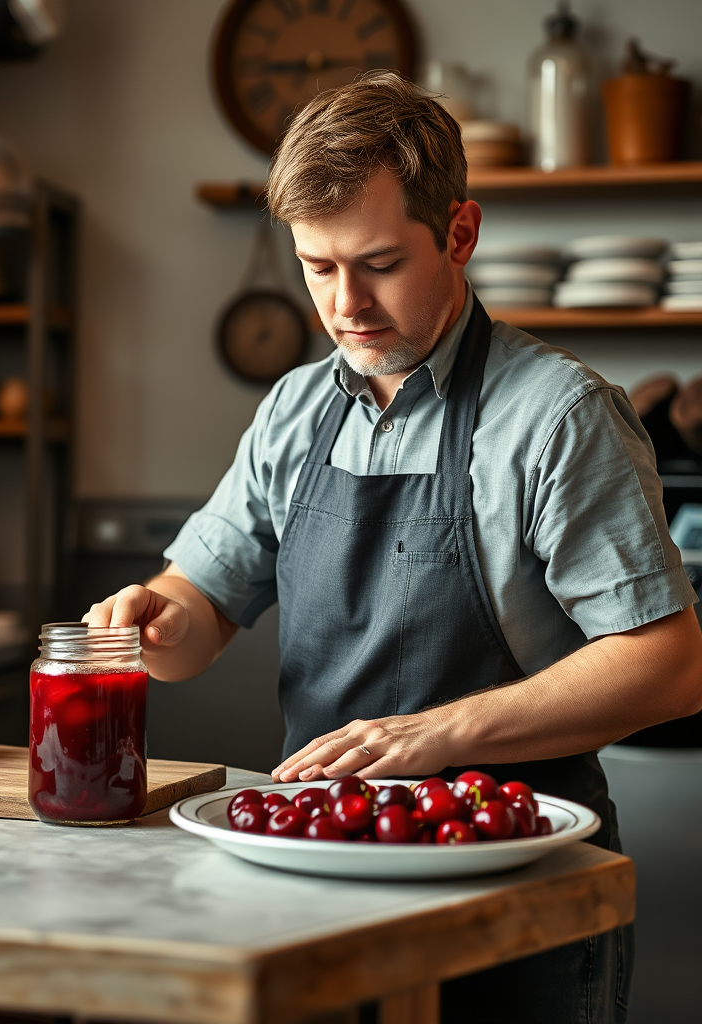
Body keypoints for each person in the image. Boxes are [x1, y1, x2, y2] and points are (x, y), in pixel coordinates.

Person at [84, 71, 702, 1023]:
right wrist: (156, 617)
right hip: (316, 878)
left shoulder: (557, 416)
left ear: (460, 233)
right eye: (317, 268)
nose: (344, 306)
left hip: (514, 884)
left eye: (377, 263)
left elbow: (668, 668)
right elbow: (199, 620)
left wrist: (433, 736)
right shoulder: (294, 410)